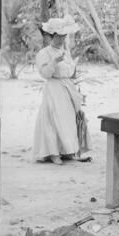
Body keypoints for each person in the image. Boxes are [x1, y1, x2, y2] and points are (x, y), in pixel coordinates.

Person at [32, 16, 91, 165]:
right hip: (53, 88)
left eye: (63, 36)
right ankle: (53, 152)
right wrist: (54, 62)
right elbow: (45, 73)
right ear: (52, 36)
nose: (61, 39)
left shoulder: (66, 52)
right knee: (53, 119)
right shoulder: (44, 53)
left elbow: (70, 71)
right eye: (58, 36)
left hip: (67, 88)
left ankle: (67, 151)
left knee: (68, 119)